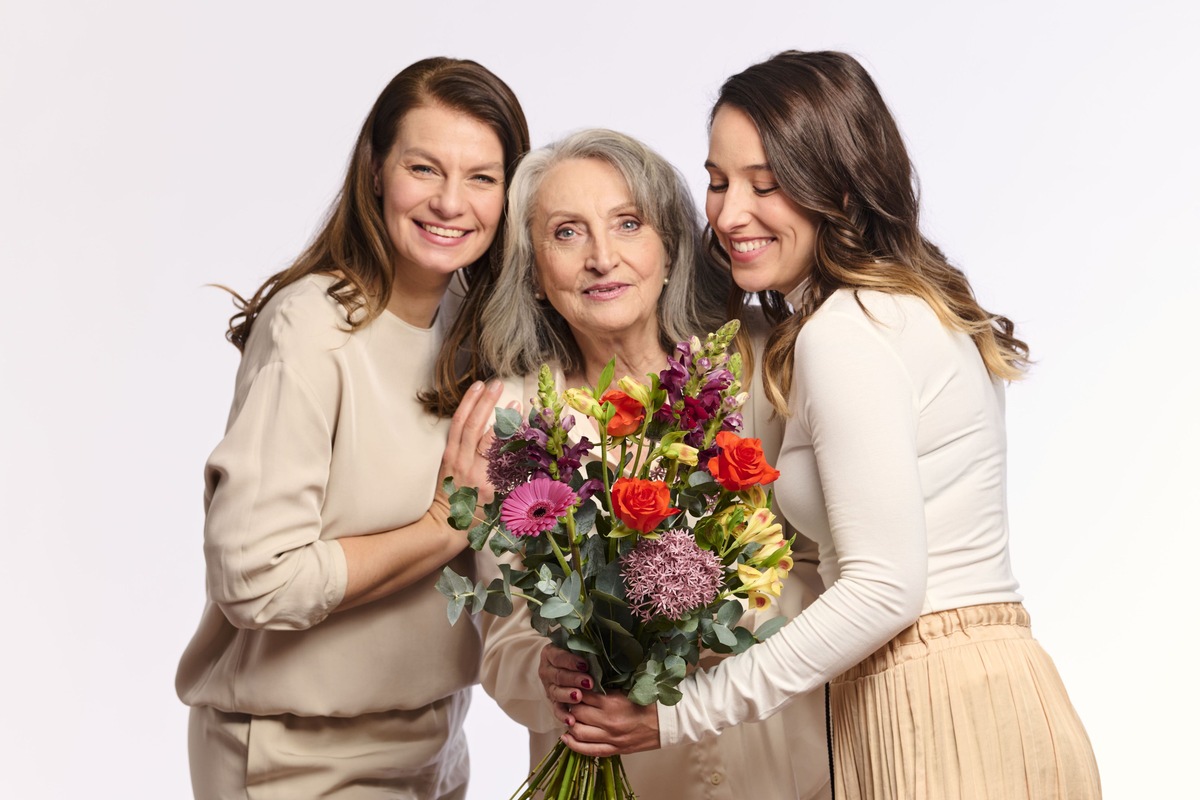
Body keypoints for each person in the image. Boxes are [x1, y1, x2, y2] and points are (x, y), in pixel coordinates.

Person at [542, 52, 1103, 799]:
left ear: (837, 186)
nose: (730, 213)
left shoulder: (847, 331)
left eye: (765, 185)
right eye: (718, 181)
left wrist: (676, 717)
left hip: (932, 707)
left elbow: (881, 589)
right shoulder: (903, 304)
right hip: (977, 689)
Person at [175, 57, 529, 799]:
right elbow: (256, 579)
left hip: (433, 742)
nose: (450, 202)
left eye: (482, 178)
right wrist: (440, 528)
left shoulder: (479, 328)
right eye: (424, 168)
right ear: (375, 169)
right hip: (299, 759)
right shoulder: (312, 327)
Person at [476, 128, 831, 800]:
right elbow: (501, 642)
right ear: (533, 272)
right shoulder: (518, 418)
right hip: (617, 777)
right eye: (567, 233)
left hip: (785, 767)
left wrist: (702, 617)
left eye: (627, 224)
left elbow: (837, 569)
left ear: (669, 248)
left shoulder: (761, 366)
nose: (602, 258)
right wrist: (544, 668)